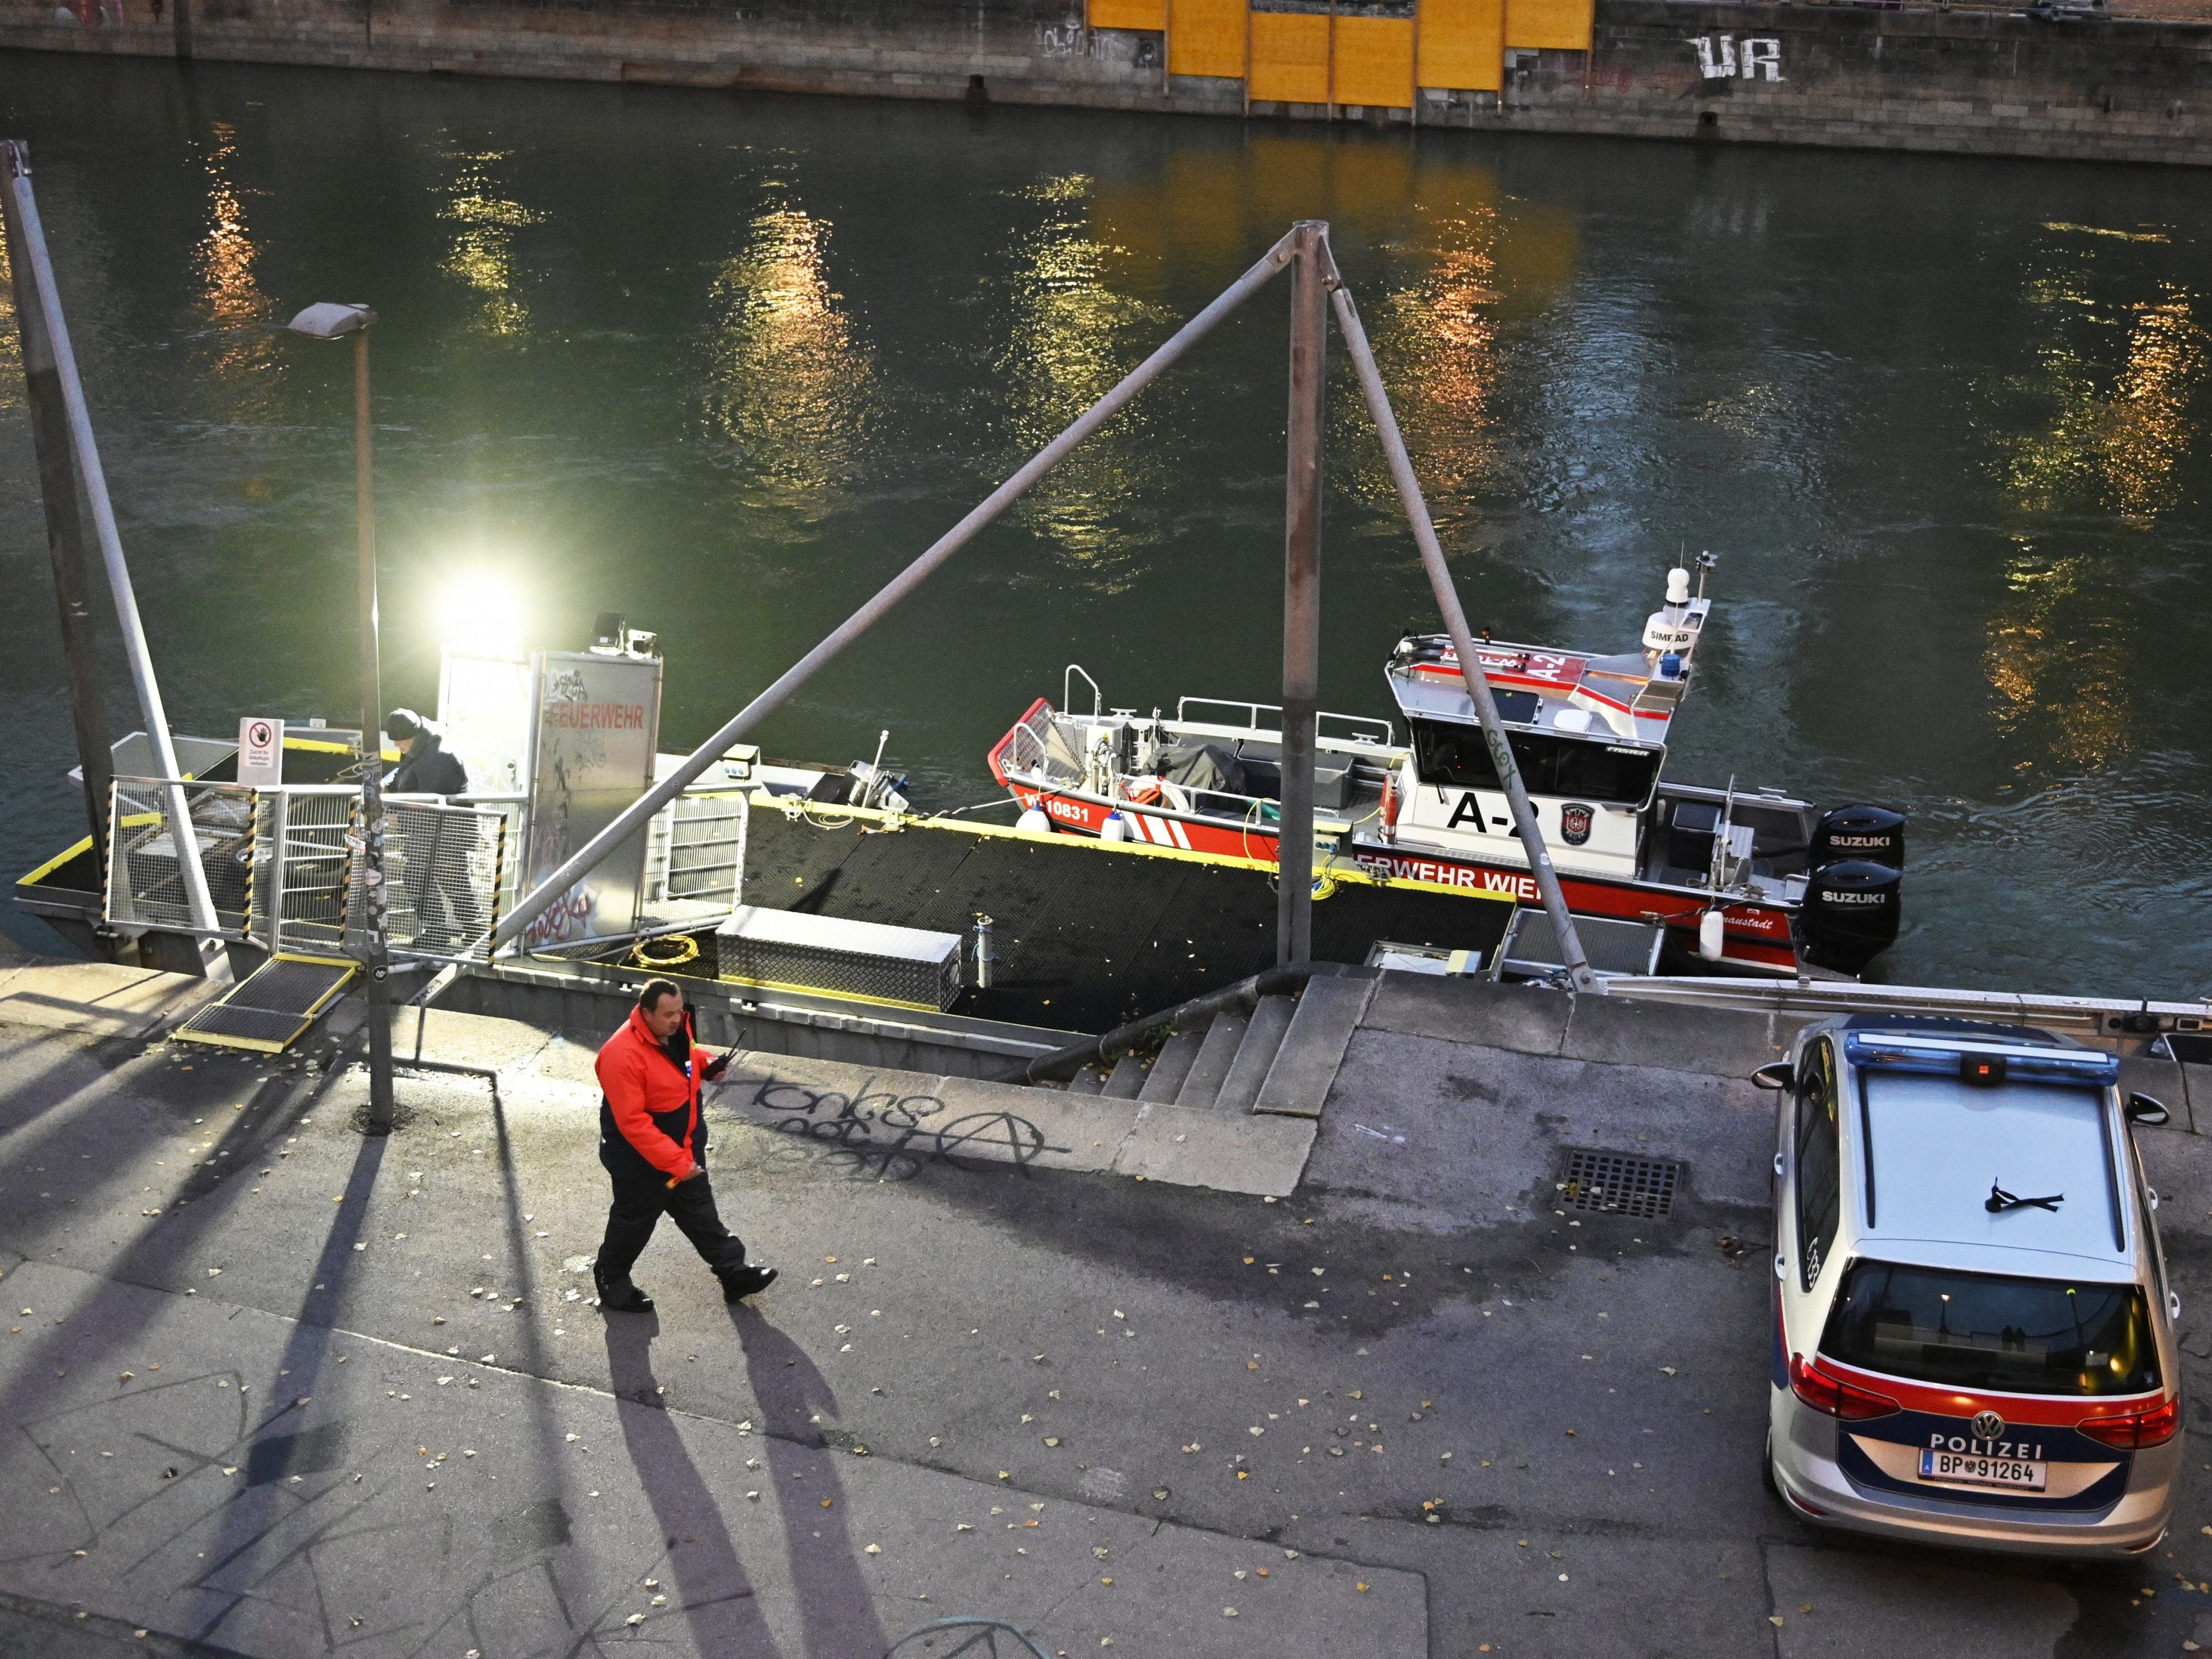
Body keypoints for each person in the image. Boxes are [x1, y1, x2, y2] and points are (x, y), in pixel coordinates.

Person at [593, 978, 776, 1312]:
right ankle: (611, 1279)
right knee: (633, 1224)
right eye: (668, 1014)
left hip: (682, 1153)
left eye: (679, 1011)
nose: (677, 1020)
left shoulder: (671, 1032)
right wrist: (678, 1163)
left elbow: (687, 1059)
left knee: (701, 1215)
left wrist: (706, 1066)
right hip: (641, 1165)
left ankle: (733, 1273)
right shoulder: (621, 1056)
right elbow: (633, 1124)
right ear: (645, 1013)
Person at [383, 709, 482, 950]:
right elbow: (406, 777)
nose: (397, 745)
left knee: (452, 880)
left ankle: (473, 930)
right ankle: (445, 931)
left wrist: (399, 820)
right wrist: (386, 785)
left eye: (400, 740)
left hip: (446, 832)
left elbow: (431, 802)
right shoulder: (421, 746)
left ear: (414, 734)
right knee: (419, 878)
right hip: (428, 832)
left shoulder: (439, 757)